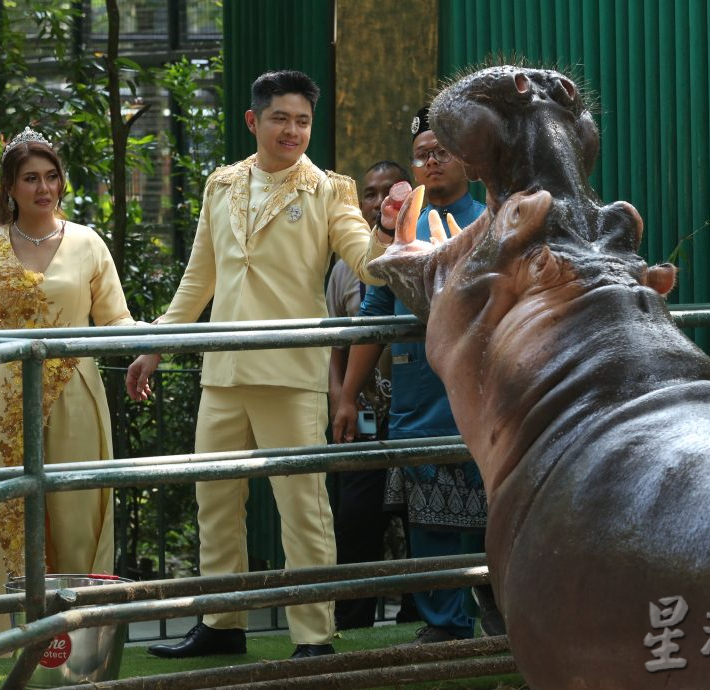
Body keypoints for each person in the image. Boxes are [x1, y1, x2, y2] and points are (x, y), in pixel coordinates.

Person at [125, 70, 393, 660]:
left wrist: (392, 234)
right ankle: (222, 623)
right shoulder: (221, 185)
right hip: (222, 371)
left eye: (302, 120)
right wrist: (157, 345)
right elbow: (199, 278)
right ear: (254, 121)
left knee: (302, 507)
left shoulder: (329, 190)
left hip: (291, 372)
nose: (292, 130)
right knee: (214, 501)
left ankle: (313, 636)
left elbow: (367, 263)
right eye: (281, 118)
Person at [0, 127, 137, 638]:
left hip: (76, 394)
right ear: (9, 187)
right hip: (0, 402)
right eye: (30, 178)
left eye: (51, 176)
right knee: (5, 519)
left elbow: (116, 320)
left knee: (77, 512)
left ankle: (79, 638)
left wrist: (151, 344)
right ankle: (2, 641)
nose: (43, 188)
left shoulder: (86, 242)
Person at [333, 106, 490, 644]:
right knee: (429, 522)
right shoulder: (400, 230)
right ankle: (445, 626)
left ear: (466, 159)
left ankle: (505, 622)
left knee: (499, 517)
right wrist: (348, 396)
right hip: (418, 397)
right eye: (423, 153)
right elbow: (373, 312)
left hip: (486, 397)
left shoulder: (492, 220)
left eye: (442, 151)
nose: (431, 161)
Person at [326, 160, 418, 630]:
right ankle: (352, 617)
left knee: (413, 512)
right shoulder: (344, 269)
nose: (380, 200)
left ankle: (419, 614)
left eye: (390, 190)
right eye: (370, 193)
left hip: (410, 410)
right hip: (360, 416)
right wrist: (341, 399)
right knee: (356, 517)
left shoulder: (420, 252)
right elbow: (335, 348)